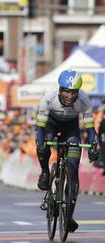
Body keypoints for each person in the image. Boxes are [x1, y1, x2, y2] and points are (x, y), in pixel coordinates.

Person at [35, 69, 98, 233]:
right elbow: (40, 127)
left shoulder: (84, 99)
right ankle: (44, 172)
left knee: (73, 168)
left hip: (71, 128)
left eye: (74, 92)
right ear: (60, 89)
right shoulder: (48, 98)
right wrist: (41, 143)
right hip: (51, 124)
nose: (70, 96)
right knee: (42, 146)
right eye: (67, 92)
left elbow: (91, 129)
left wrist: (93, 145)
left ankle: (69, 215)